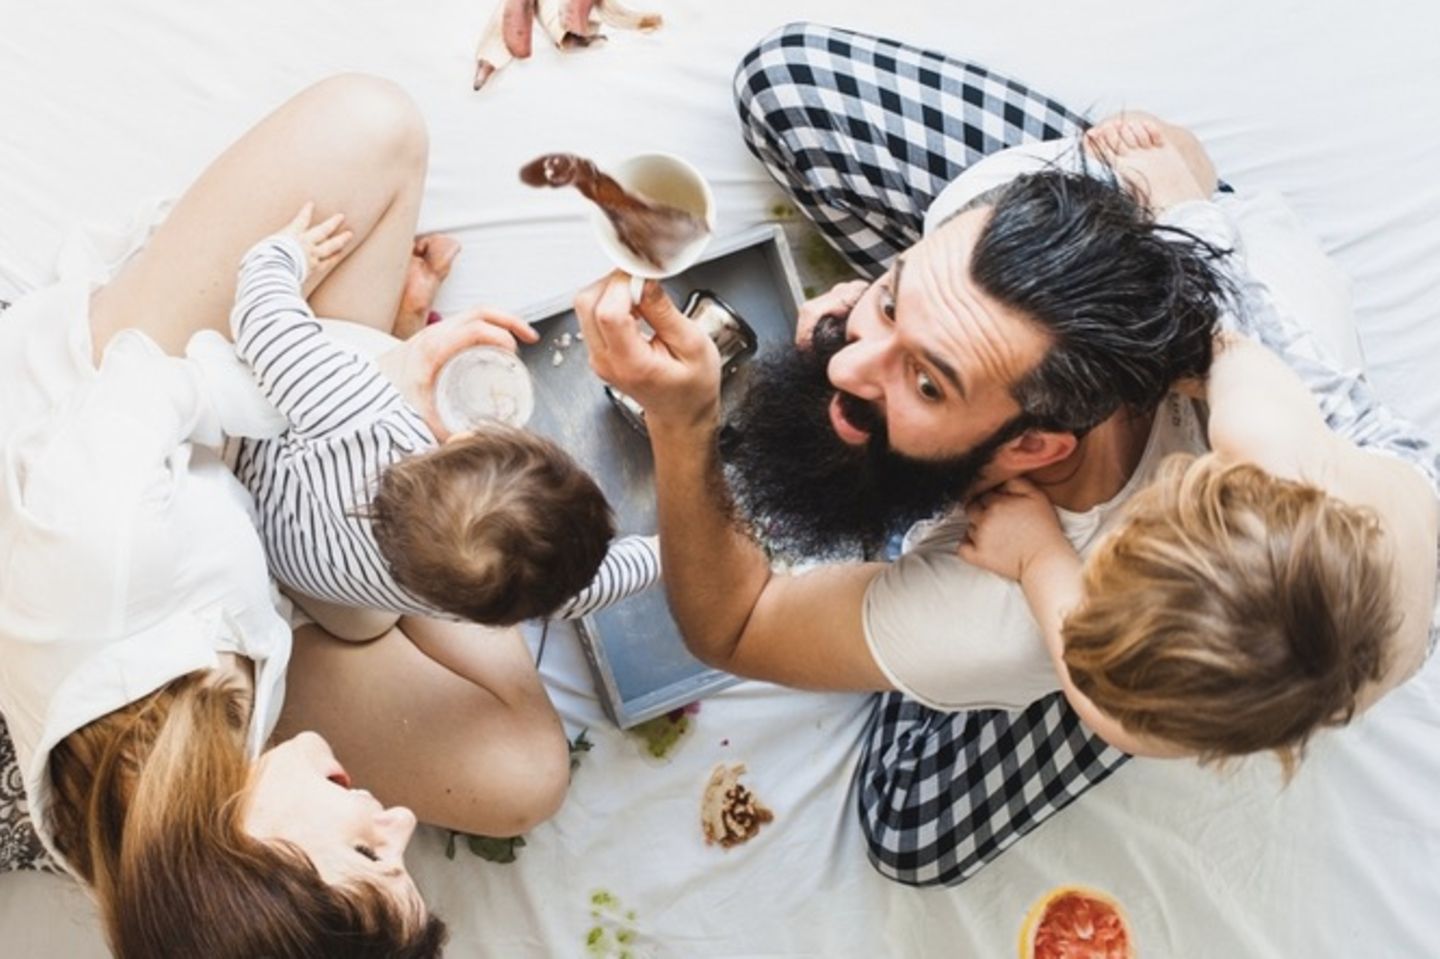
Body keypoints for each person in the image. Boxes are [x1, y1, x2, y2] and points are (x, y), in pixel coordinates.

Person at [574, 21, 1440, 888]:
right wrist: (1179, 206)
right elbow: (1202, 244)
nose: (839, 362)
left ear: (1037, 447)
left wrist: (684, 421)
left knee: (909, 831)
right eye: (892, 296)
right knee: (785, 82)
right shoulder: (1246, 365)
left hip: (1268, 599)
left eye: (929, 383)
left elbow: (738, 626)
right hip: (1215, 273)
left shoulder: (1023, 622)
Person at [0, 75, 572, 955]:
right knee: (524, 770)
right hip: (222, 548)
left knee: (374, 126)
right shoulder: (200, 799)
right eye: (402, 856)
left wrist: (367, 374)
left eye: (367, 852)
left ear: (245, 871)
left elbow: (152, 385)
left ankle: (391, 455)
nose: (400, 820)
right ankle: (403, 487)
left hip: (114, 403)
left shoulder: (100, 560)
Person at [226, 206, 660, 641]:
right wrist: (668, 552)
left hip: (267, 492)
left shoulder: (360, 413)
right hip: (323, 579)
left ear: (465, 436)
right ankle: (408, 324)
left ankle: (408, 331)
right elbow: (615, 577)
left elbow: (262, 319)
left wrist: (287, 254)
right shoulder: (524, 595)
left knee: (358, 368)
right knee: (369, 624)